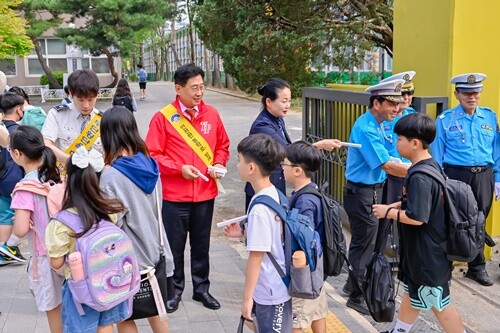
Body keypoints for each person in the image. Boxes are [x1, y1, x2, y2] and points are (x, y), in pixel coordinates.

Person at [145, 63, 230, 312]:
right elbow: (153, 154)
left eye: (202, 87)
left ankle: (202, 289)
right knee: (174, 246)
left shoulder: (211, 115)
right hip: (175, 196)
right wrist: (178, 169)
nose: (199, 92)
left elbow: (222, 145)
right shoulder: (163, 118)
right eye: (194, 88)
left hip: (205, 194)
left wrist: (218, 163)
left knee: (202, 244)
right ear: (178, 88)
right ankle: (174, 291)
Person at [373, 112, 466, 333]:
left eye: (399, 139)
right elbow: (421, 205)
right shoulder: (429, 166)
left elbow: (417, 217)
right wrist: (395, 207)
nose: (396, 144)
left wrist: (388, 213)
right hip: (423, 252)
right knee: (413, 293)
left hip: (428, 254)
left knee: (437, 302)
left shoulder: (420, 177)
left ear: (414, 143)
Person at [99, 106, 174, 333]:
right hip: (157, 251)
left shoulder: (111, 175)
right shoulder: (150, 165)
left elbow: (111, 224)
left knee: (123, 315)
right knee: (156, 310)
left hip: (128, 259)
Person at [342, 79, 409, 315]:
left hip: (371, 190)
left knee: (369, 242)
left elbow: (392, 157)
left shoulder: (378, 124)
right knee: (364, 246)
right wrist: (420, 170)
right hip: (362, 193)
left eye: (399, 104)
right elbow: (387, 165)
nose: (397, 109)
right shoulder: (367, 128)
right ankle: (357, 295)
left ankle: (353, 284)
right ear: (377, 102)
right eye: (392, 104)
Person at [45, 147, 130, 333]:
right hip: (109, 282)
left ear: (69, 181)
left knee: (81, 329)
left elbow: (56, 262)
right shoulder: (108, 211)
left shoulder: (61, 223)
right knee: (106, 324)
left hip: (80, 288)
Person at [430, 73, 498, 287]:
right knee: (453, 220)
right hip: (456, 175)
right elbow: (437, 153)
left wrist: (497, 177)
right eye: (467, 93)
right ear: (457, 94)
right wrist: (440, 181)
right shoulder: (444, 120)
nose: (472, 97)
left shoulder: (489, 116)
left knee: (479, 221)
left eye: (476, 92)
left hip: (484, 175)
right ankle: (446, 266)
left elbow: (496, 150)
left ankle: (476, 267)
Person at [246, 78, 341, 209]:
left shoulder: (276, 119)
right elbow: (287, 151)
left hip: (273, 185)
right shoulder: (262, 125)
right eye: (284, 101)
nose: (288, 105)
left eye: (289, 100)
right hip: (262, 190)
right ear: (268, 101)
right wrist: (319, 145)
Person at [9, 125, 64, 333]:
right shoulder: (54, 176)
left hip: (45, 256)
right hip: (67, 251)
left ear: (17, 154)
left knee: (53, 309)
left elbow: (21, 229)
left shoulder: (24, 188)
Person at [236, 133, 292, 332]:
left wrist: (247, 298)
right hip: (279, 282)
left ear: (251, 168)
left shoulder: (259, 207)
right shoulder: (274, 193)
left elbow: (257, 255)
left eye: (239, 160)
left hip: (270, 289)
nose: (236, 165)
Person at [283, 141, 328, 333]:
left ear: (297, 171)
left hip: (304, 272)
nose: (281, 168)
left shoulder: (304, 201)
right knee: (317, 314)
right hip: (316, 269)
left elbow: (304, 239)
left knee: (297, 322)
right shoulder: (312, 191)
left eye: (284, 164)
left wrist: (298, 277)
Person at [375, 71, 417, 259]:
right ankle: (378, 261)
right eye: (402, 95)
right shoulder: (385, 118)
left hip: (410, 173)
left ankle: (404, 259)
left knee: (409, 214)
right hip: (390, 174)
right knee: (385, 218)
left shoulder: (412, 115)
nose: (406, 98)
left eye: (409, 94)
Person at [42, 69, 103, 165]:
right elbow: (46, 145)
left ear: (97, 94)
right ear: (70, 93)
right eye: (80, 100)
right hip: (65, 175)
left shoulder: (102, 120)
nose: (86, 105)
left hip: (95, 177)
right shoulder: (57, 114)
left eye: (90, 99)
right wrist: (73, 162)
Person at [0, 92, 26, 264]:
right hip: (14, 178)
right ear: (18, 111)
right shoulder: (18, 132)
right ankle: (5, 249)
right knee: (10, 215)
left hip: (2, 176)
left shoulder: (2, 128)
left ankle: (6, 249)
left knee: (3, 214)